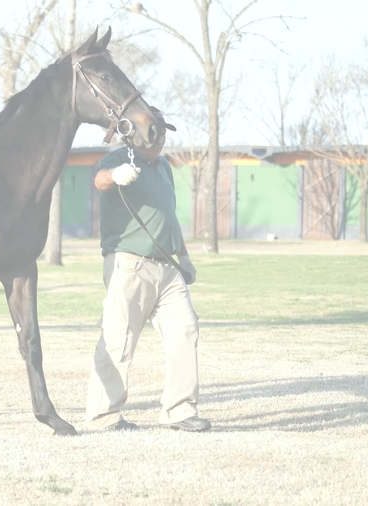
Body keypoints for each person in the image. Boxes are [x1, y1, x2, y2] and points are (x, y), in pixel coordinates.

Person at [84, 106, 210, 432]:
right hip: (130, 264)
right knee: (119, 340)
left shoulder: (165, 167)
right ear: (137, 133)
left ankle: (179, 411)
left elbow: (169, 217)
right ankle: (104, 416)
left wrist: (184, 257)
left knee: (186, 329)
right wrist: (115, 176)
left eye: (164, 131)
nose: (162, 137)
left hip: (167, 268)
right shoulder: (120, 159)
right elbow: (98, 181)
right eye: (155, 131)